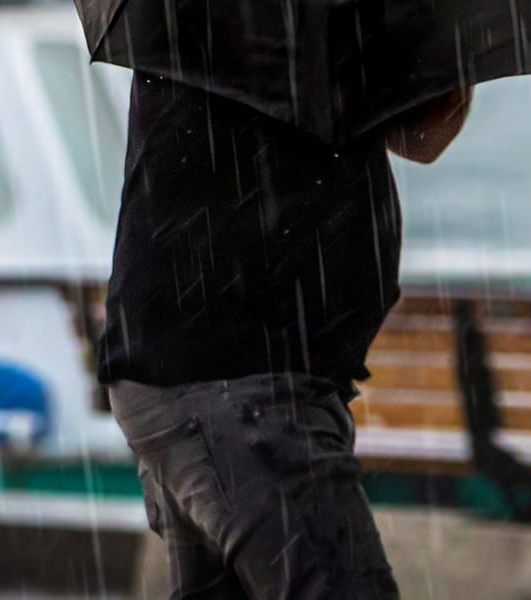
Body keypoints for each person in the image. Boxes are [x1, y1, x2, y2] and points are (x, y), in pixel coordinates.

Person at [103, 76, 472, 599]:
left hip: (216, 371)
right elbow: (418, 125)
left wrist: (443, 44)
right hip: (241, 383)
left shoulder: (278, 9)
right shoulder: (271, 4)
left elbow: (422, 133)